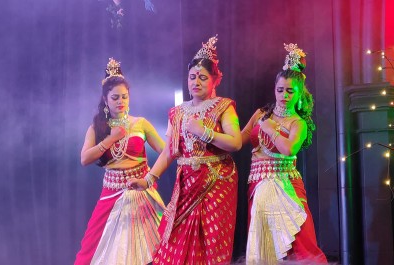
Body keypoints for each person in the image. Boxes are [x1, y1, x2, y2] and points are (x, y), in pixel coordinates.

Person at [128, 35, 242, 264]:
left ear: (215, 80)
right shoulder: (177, 112)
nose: (195, 82)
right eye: (192, 77)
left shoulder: (224, 107)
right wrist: (148, 180)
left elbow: (236, 143)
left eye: (202, 77)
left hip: (217, 182)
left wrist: (204, 132)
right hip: (186, 184)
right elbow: (169, 151)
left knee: (211, 241)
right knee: (175, 239)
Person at [241, 44, 327, 264]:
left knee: (297, 240)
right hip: (258, 185)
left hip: (285, 184)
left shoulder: (298, 122)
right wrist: (208, 134)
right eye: (280, 90)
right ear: (274, 89)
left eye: (290, 91)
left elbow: (289, 149)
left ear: (299, 93)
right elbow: (238, 140)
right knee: (264, 243)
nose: (284, 95)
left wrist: (270, 129)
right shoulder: (261, 114)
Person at [74, 58, 166, 265]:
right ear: (105, 100)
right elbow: (84, 159)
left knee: (153, 248)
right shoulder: (97, 128)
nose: (120, 101)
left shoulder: (140, 123)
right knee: (95, 250)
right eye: (115, 97)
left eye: (124, 97)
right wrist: (111, 138)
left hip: (142, 192)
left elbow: (166, 151)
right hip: (111, 193)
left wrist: (151, 177)